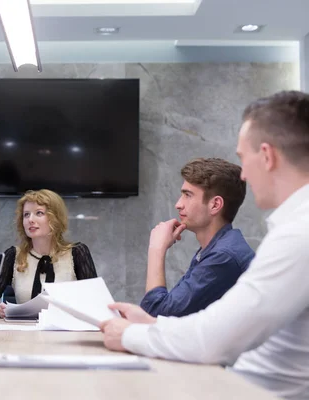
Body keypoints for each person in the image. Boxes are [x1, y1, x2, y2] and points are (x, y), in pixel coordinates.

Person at [101, 91, 309, 400]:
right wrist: (155, 325)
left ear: (267, 156)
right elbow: (218, 324)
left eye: (243, 159)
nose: (243, 175)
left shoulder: (298, 235)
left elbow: (215, 339)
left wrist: (133, 334)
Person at [141, 158, 254, 317]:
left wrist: (156, 249)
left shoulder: (223, 257)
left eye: (188, 195)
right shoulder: (217, 248)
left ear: (215, 205)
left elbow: (157, 315)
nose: (178, 204)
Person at [0, 189, 97, 318]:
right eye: (26, 214)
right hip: (23, 334)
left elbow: (95, 304)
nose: (30, 219)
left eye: (39, 213)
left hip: (67, 335)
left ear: (55, 218)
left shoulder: (77, 253)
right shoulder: (13, 255)